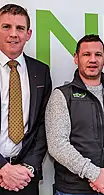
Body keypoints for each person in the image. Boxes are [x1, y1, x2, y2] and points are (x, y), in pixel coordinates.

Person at [45, 34, 104, 195]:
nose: (92, 60)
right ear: (76, 58)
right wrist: (94, 174)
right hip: (71, 190)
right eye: (86, 54)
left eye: (98, 55)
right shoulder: (62, 96)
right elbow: (57, 144)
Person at [0, 3, 52, 195]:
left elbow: (43, 125)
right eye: (6, 27)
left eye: (20, 28)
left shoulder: (41, 71)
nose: (13, 34)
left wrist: (28, 167)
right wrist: (3, 168)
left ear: (28, 34)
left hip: (25, 178)